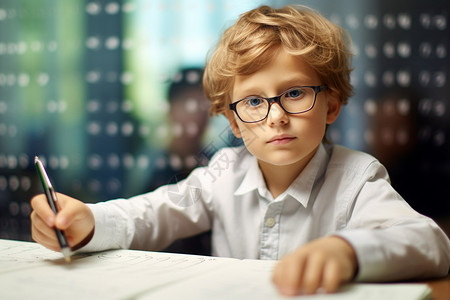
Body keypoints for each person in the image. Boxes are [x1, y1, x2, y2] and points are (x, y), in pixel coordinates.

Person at [30, 5, 450, 296]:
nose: (275, 117)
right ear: (232, 122)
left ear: (332, 105)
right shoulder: (223, 171)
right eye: (252, 102)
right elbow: (151, 213)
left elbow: (430, 244)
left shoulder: (357, 177)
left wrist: (348, 251)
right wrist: (88, 220)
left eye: (295, 93)